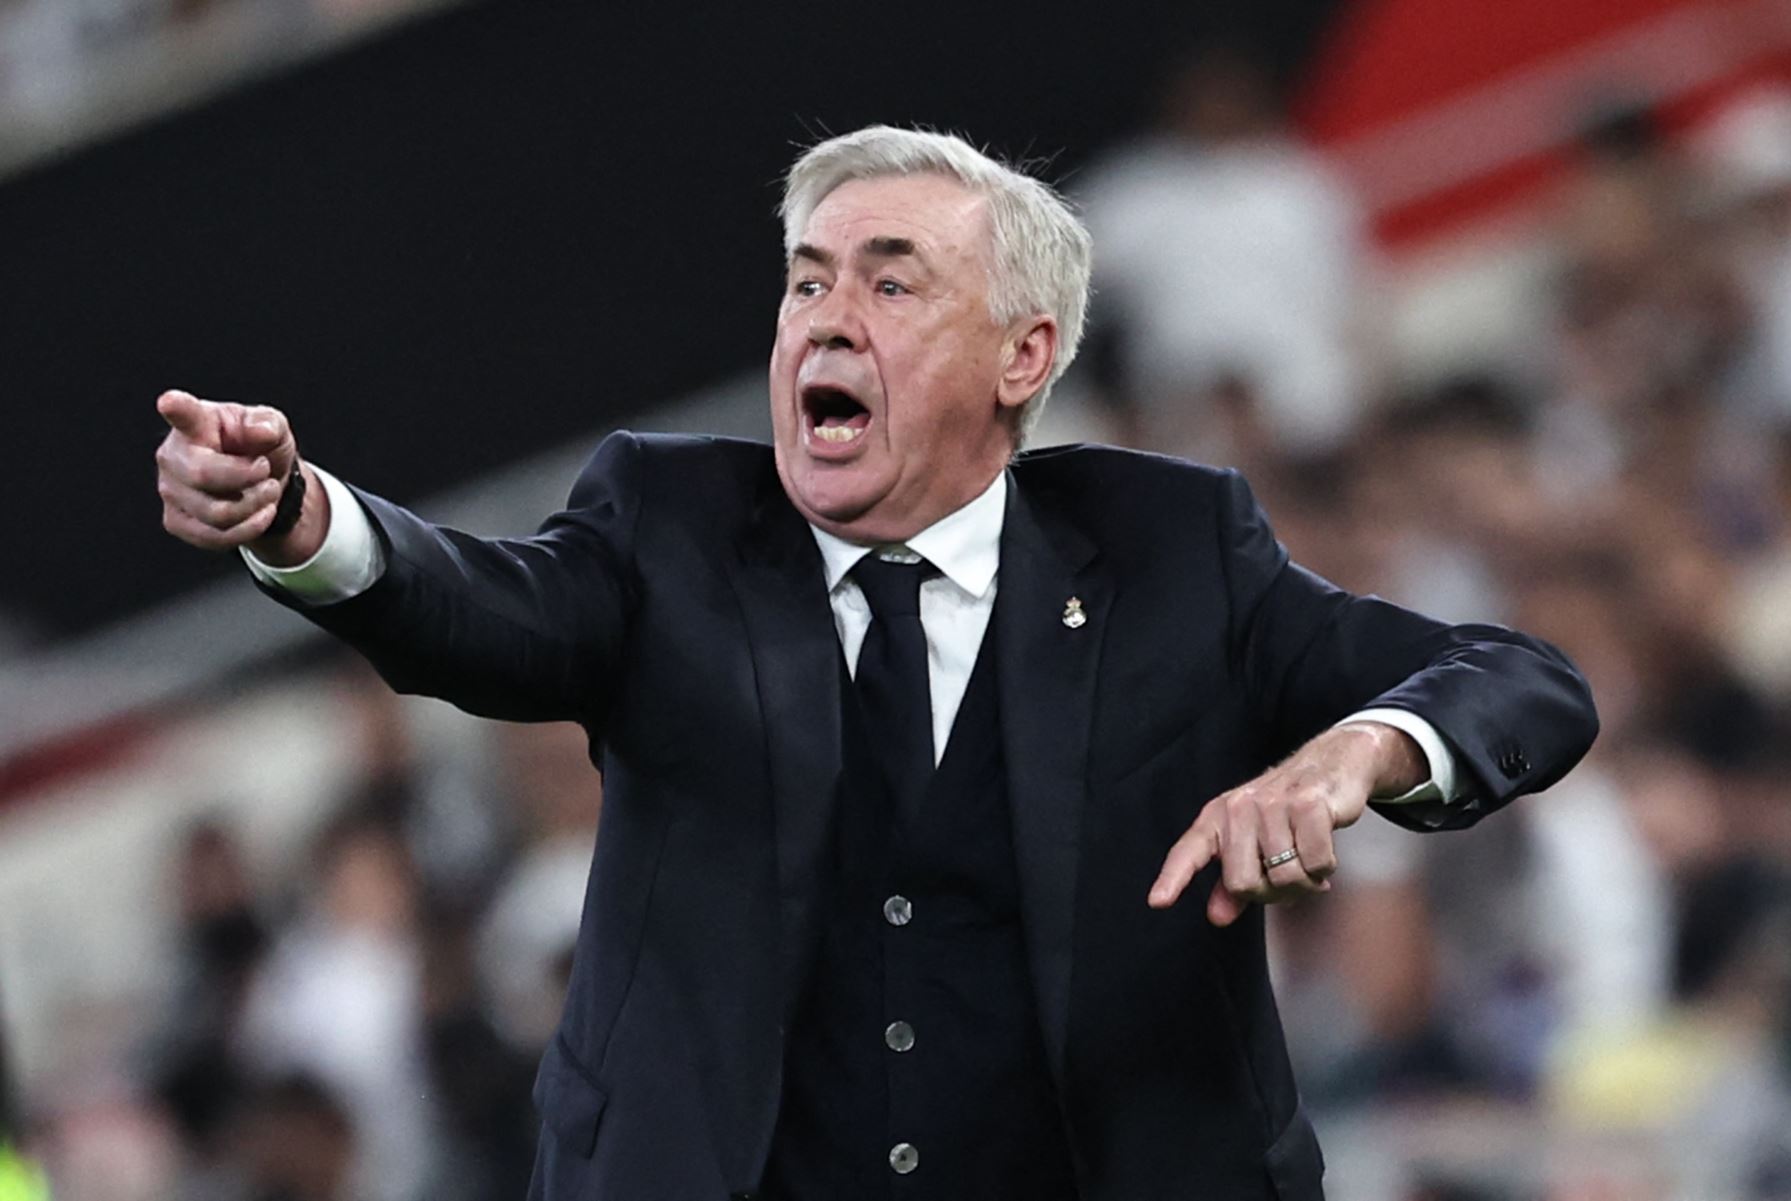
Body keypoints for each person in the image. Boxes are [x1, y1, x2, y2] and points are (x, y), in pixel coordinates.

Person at [152, 126, 1598, 1201]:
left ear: (1023, 355)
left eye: (891, 284)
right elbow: (480, 608)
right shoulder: (669, 528)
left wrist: (1364, 750)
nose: (825, 318)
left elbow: (1522, 674)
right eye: (805, 283)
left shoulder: (1169, 552)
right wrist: (299, 514)